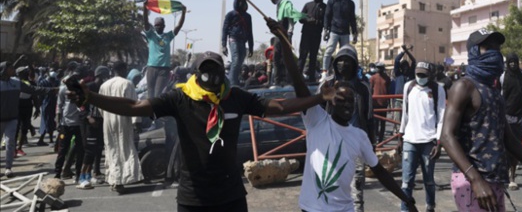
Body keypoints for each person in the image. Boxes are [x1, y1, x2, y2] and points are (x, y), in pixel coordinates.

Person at [68, 51, 337, 211]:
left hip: (231, 195)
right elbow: (135, 105)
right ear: (196, 73)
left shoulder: (236, 97)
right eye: (205, 70)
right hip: (193, 198)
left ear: (223, 71)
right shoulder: (180, 97)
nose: (211, 75)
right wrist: (91, 97)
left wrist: (318, 98)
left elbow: (279, 106)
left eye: (216, 69)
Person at [266, 18, 417, 212]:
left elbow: (380, 172)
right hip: (312, 209)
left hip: (345, 209)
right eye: (341, 99)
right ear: (331, 101)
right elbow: (296, 78)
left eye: (351, 101)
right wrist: (283, 39)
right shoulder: (317, 120)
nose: (347, 104)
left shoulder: (359, 136)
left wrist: (407, 199)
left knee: (358, 189)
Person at [440, 28, 522, 212]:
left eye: (496, 48)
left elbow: (509, 139)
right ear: (473, 51)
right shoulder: (464, 86)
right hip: (472, 181)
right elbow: (447, 136)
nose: (494, 53)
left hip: (495, 179)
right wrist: (475, 179)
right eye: (487, 48)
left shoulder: (494, 91)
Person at [319, 43, 374, 212]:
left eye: (348, 61)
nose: (343, 64)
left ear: (354, 64)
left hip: (355, 146)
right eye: (340, 60)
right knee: (330, 190)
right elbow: (318, 113)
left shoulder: (363, 88)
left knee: (357, 193)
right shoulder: (328, 85)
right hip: (331, 145)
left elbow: (369, 116)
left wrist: (371, 143)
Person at [398, 62, 446, 212]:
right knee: (406, 182)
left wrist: (439, 143)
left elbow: (441, 117)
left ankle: (430, 207)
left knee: (429, 181)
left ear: (430, 75)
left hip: (428, 141)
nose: (420, 77)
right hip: (409, 140)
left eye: (423, 75)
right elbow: (405, 112)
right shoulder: (408, 87)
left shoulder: (438, 89)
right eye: (418, 74)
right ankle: (405, 209)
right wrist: (400, 135)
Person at [1, 58, 55, 178]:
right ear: (4, 70)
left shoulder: (16, 82)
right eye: (10, 68)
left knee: (10, 143)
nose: (12, 70)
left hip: (12, 118)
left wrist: (51, 90)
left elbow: (33, 90)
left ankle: (8, 168)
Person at [98, 61, 143, 193]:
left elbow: (100, 106)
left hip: (108, 120)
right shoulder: (127, 84)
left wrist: (105, 116)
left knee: (111, 149)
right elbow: (134, 105)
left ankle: (114, 180)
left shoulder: (104, 85)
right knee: (125, 149)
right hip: (123, 119)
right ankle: (122, 180)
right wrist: (136, 122)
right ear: (123, 69)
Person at [500, 53, 522, 191]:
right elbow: (499, 97)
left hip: (520, 117)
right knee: (504, 148)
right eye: (510, 62)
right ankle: (503, 175)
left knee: (517, 148)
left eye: (515, 61)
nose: (513, 64)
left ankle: (512, 178)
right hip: (505, 117)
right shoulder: (502, 77)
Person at [76, 66, 111, 189]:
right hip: (88, 123)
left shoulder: (103, 88)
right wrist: (88, 117)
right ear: (100, 76)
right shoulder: (89, 87)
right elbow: (78, 103)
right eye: (105, 76)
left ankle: (89, 176)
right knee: (89, 150)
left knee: (96, 149)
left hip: (99, 121)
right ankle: (81, 177)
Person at [143, 1, 186, 99]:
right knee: (150, 94)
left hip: (164, 70)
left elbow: (178, 26)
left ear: (164, 26)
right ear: (154, 26)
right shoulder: (151, 35)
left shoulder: (168, 36)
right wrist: (145, 8)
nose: (158, 26)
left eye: (160, 25)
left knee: (158, 95)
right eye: (156, 25)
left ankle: (156, 113)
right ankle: (149, 113)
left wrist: (183, 12)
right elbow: (145, 22)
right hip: (151, 68)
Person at [54, 64, 86, 182]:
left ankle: (78, 175)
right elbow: (59, 106)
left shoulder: (82, 90)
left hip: (79, 124)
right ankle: (57, 174)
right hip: (65, 125)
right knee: (62, 150)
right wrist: (58, 122)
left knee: (79, 150)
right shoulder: (63, 90)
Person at [268, 0, 305, 86]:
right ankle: (277, 81)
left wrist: (290, 33)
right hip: (279, 33)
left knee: (286, 57)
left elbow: (291, 17)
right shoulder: (279, 5)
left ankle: (288, 81)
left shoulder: (286, 3)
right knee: (276, 57)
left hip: (286, 34)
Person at [322, 0, 357, 75]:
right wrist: (325, 30)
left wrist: (355, 33)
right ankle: (324, 71)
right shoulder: (332, 1)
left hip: (345, 32)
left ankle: (343, 72)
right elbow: (327, 16)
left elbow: (353, 19)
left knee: (345, 54)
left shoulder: (350, 3)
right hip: (334, 31)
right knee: (329, 51)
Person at [221, 0, 254, 87]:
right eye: (239, 1)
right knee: (235, 60)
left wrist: (251, 47)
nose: (240, 3)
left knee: (240, 61)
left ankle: (234, 80)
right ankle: (232, 84)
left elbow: (250, 32)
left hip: (243, 41)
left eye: (242, 1)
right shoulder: (230, 14)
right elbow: (225, 29)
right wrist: (224, 45)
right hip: (233, 39)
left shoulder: (248, 16)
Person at [298, 0, 326, 82]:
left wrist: (317, 22)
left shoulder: (325, 7)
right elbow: (300, 19)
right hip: (306, 34)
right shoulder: (308, 5)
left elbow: (326, 22)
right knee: (302, 56)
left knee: (313, 57)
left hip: (316, 35)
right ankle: (297, 77)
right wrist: (308, 20)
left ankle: (311, 78)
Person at [369, 62, 391, 143]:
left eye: (380, 67)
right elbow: (370, 90)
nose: (379, 69)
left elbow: (388, 91)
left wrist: (389, 103)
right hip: (375, 103)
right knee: (375, 123)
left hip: (384, 103)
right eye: (378, 67)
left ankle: (381, 141)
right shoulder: (373, 78)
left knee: (383, 123)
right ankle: (375, 140)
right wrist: (370, 102)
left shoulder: (387, 78)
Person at [37, 70, 59, 146]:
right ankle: (42, 139)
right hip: (46, 104)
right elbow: (40, 95)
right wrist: (38, 105)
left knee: (51, 121)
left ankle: (50, 139)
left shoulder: (56, 82)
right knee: (46, 121)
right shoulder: (43, 83)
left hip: (53, 104)